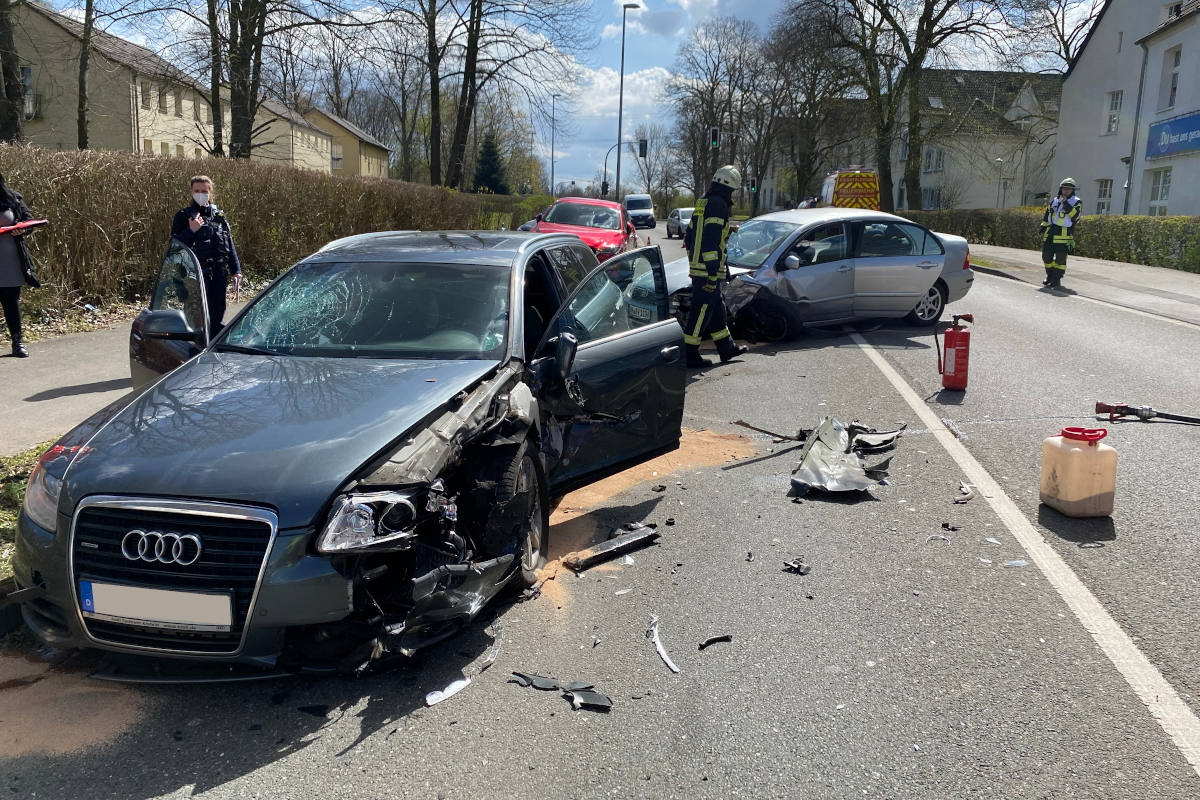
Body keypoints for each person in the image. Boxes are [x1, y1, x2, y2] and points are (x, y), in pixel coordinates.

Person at [683, 164, 748, 368]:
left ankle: (726, 348)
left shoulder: (703, 202)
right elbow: (711, 241)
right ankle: (690, 354)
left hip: (699, 267)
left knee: (717, 308)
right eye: (733, 191)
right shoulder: (719, 205)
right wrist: (711, 274)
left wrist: (726, 231)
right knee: (701, 312)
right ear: (728, 187)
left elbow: (693, 234)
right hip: (707, 271)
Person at [171, 175, 242, 336]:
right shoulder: (183, 216)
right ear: (191, 192)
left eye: (204, 191)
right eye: (196, 191)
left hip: (219, 273)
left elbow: (229, 244)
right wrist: (191, 230)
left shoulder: (219, 216)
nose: (200, 194)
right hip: (195, 274)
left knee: (217, 314)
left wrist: (236, 270)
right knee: (197, 316)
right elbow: (174, 247)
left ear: (210, 192)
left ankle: (214, 346)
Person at [0, 172, 42, 358]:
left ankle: (18, 343)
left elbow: (28, 220)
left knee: (10, 302)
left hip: (10, 263)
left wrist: (22, 228)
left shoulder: (13, 198)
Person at [1040, 177, 1081, 289]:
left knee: (1060, 260)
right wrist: (1043, 226)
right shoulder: (1054, 200)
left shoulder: (1076, 202)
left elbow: (1074, 216)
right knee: (1046, 256)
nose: (1066, 191)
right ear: (1061, 189)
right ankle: (1050, 275)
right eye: (1064, 188)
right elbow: (1048, 214)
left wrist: (1066, 204)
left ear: (1072, 190)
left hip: (1064, 233)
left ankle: (1057, 279)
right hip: (1051, 231)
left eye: (1069, 189)